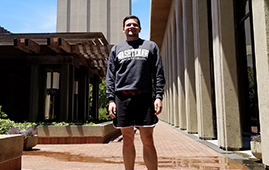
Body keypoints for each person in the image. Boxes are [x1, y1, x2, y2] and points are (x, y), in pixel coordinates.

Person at [106, 15, 165, 170]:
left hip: (144, 98)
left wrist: (158, 96)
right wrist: (111, 99)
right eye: (128, 25)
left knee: (148, 140)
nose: (131, 27)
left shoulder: (150, 46)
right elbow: (110, 76)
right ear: (123, 29)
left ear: (139, 28)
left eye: (134, 24)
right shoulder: (116, 49)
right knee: (127, 138)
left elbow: (158, 73)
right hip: (122, 98)